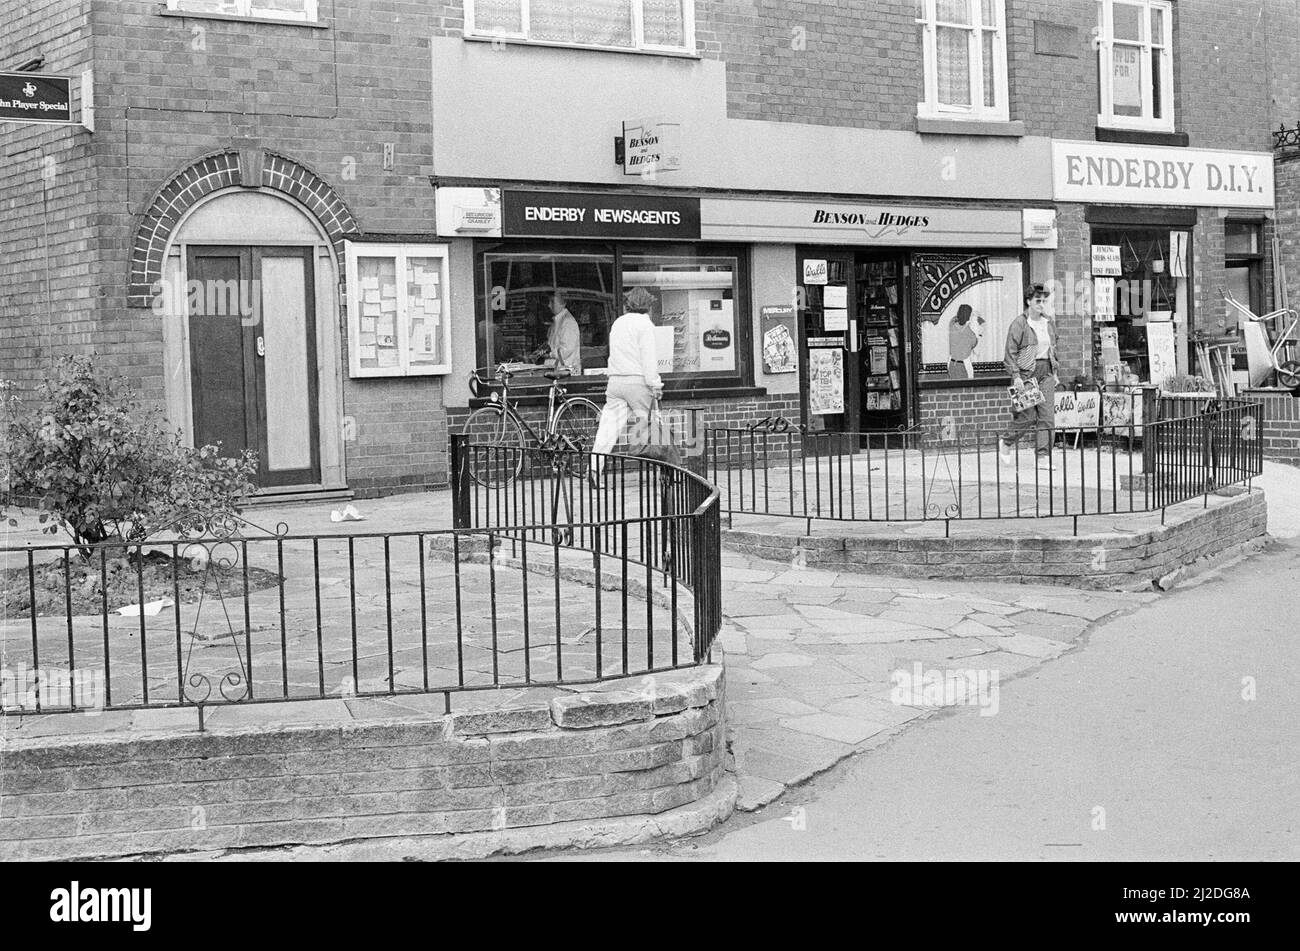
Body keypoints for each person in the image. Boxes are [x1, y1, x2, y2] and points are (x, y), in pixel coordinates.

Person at [590, 286, 663, 480]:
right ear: (647, 305)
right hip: (638, 382)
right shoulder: (646, 325)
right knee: (653, 426)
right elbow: (648, 359)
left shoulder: (618, 323)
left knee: (607, 429)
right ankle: (665, 471)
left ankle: (594, 470)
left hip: (615, 382)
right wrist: (655, 384)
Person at [998, 283, 1059, 467]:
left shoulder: (1049, 322)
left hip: (1046, 372)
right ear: (1028, 301)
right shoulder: (1020, 323)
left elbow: (1054, 349)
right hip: (1026, 373)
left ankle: (1042, 456)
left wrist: (1055, 372)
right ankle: (1006, 441)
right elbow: (1010, 351)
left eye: (1044, 301)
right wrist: (1015, 375)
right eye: (1037, 300)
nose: (1041, 304)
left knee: (1047, 417)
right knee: (1028, 417)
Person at [537, 291, 582, 374]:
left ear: (563, 303)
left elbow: (567, 350)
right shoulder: (556, 322)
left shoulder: (568, 322)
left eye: (552, 302)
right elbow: (552, 345)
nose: (549, 305)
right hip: (556, 372)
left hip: (565, 374)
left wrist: (549, 354)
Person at [947, 303, 984, 380]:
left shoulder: (952, 326)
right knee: (965, 390)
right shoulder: (969, 332)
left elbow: (954, 318)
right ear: (969, 316)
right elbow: (976, 349)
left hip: (951, 364)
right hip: (963, 366)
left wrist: (966, 315)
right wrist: (979, 334)